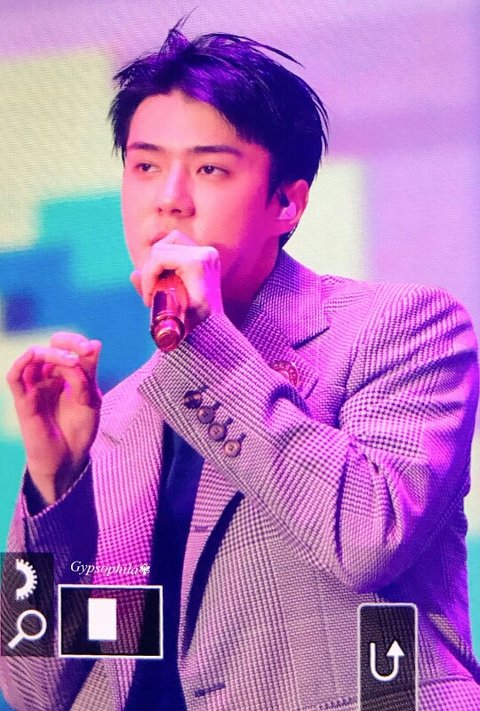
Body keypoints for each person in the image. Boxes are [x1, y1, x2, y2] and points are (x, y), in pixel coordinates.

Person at [2, 21, 480, 711]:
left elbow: (368, 538)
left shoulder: (400, 329)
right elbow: (35, 686)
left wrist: (207, 345)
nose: (169, 197)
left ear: (287, 202)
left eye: (209, 169)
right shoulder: (124, 414)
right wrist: (56, 486)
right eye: (144, 166)